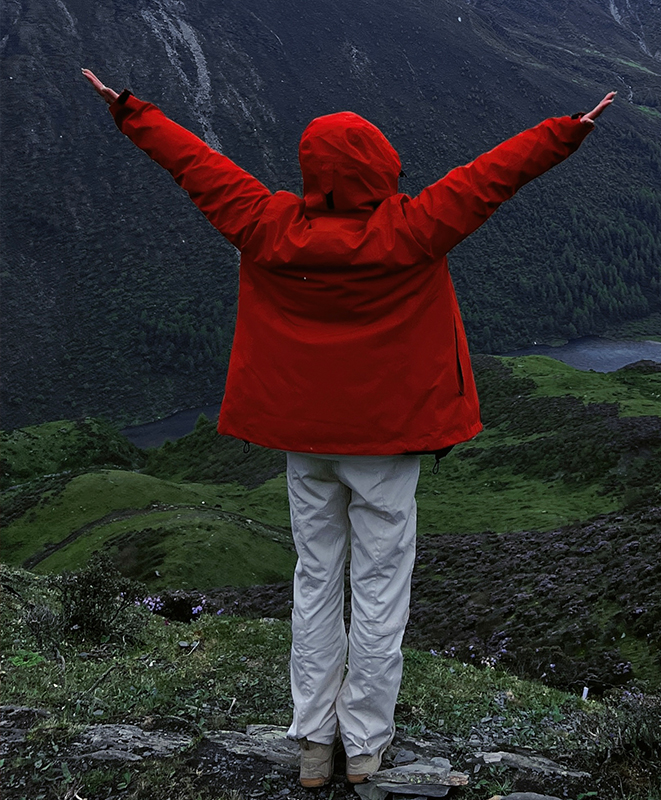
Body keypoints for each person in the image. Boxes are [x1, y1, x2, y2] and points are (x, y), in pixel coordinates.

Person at [83, 68, 614, 787]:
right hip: (386, 446)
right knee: (380, 586)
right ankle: (363, 744)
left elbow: (196, 165)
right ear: (380, 168)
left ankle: (311, 742)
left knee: (314, 579)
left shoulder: (266, 225)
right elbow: (492, 176)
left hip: (307, 442)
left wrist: (129, 110)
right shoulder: (414, 229)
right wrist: (568, 129)